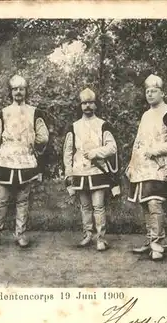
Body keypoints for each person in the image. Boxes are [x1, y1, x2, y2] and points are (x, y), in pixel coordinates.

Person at [126, 74, 167, 261]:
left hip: (160, 167)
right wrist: (131, 164)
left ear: (162, 93)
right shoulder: (145, 115)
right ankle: (151, 239)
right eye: (147, 91)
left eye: (154, 91)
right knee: (146, 203)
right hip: (142, 168)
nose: (150, 94)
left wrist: (155, 150)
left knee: (154, 203)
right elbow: (138, 142)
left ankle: (158, 243)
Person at [0, 75, 49, 248]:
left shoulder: (34, 112)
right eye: (15, 89)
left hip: (25, 161)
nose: (18, 92)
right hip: (5, 160)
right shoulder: (4, 112)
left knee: (22, 200)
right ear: (11, 92)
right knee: (2, 200)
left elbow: (44, 136)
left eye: (21, 89)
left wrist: (32, 143)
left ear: (26, 91)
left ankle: (20, 234)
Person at [63, 88, 119, 251]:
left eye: (90, 103)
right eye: (84, 103)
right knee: (85, 206)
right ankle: (88, 234)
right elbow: (67, 151)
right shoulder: (73, 127)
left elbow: (112, 147)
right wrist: (69, 172)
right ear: (80, 105)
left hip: (98, 172)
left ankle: (100, 238)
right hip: (80, 172)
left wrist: (95, 152)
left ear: (95, 105)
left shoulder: (103, 125)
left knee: (98, 206)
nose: (87, 106)